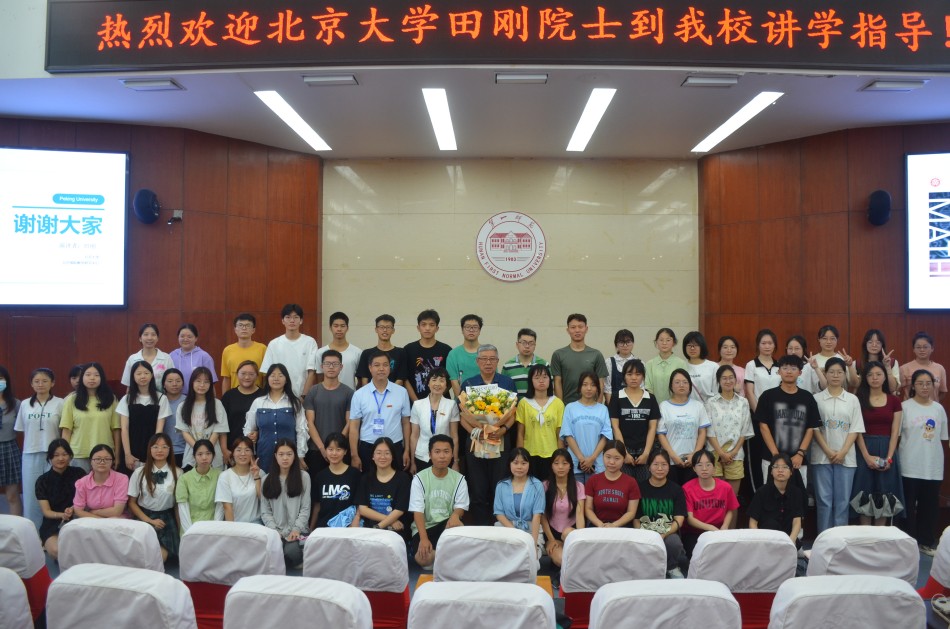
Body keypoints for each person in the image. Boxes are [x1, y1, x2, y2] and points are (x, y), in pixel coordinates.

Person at [459, 345, 518, 524]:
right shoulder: (468, 384)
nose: (488, 362)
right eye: (484, 359)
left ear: (497, 361)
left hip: (500, 440)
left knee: (499, 485)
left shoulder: (507, 383)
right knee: (478, 487)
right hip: (476, 441)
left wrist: (502, 430)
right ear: (477, 361)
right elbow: (462, 415)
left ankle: (498, 526)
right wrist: (477, 432)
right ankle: (481, 528)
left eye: (492, 359)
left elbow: (513, 413)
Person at [754, 354, 819, 506]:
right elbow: (763, 426)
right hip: (771, 458)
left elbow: (810, 428)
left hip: (798, 460)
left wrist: (800, 453)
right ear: (778, 371)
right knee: (769, 500)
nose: (789, 371)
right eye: (785, 368)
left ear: (800, 372)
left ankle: (797, 524)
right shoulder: (767, 396)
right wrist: (776, 455)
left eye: (793, 368)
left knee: (798, 500)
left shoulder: (807, 398)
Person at [810, 357, 864, 533]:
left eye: (839, 372)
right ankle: (823, 540)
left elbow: (855, 429)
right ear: (825, 374)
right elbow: (814, 428)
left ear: (844, 375)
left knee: (842, 502)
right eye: (831, 372)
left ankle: (840, 541)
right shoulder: (816, 399)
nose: (835, 375)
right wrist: (828, 451)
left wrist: (842, 452)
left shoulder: (852, 400)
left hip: (846, 458)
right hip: (821, 457)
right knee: (824, 501)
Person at [900, 370, 949, 555]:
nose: (925, 387)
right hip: (909, 465)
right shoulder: (904, 407)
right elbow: (897, 437)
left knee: (929, 508)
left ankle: (926, 543)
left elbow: (942, 438)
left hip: (932, 466)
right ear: (913, 385)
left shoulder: (938, 409)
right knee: (907, 507)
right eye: (920, 383)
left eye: (928, 383)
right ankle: (907, 545)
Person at [851, 361, 904, 525]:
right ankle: (866, 534)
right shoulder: (858, 399)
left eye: (878, 374)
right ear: (865, 378)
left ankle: (880, 535)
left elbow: (895, 432)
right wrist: (866, 456)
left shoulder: (894, 400)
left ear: (885, 377)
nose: (874, 378)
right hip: (864, 449)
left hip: (887, 448)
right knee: (864, 492)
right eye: (870, 375)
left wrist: (889, 458)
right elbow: (857, 430)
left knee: (884, 493)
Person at [410, 435, 469, 569]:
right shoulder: (419, 478)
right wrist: (424, 539)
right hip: (425, 528)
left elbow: (461, 507)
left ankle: (439, 558)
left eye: (446, 451)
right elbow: (417, 511)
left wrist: (455, 515)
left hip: (446, 524)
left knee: (458, 524)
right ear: (430, 455)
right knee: (423, 559)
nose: (442, 456)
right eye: (437, 452)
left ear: (452, 454)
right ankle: (448, 558)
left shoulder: (459, 479)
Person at [349, 349, 412, 474]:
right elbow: (354, 427)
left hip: (394, 447)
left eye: (385, 365)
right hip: (368, 447)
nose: (381, 369)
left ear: (390, 368)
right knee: (368, 481)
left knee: (394, 481)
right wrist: (354, 455)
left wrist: (407, 450)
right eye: (377, 365)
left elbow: (406, 423)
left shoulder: (401, 392)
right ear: (370, 368)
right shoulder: (359, 394)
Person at [15, 367, 64, 527]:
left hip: (54, 455)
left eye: (44, 381)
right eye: (36, 381)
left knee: (54, 492)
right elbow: (21, 429)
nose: (40, 384)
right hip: (30, 453)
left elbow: (64, 429)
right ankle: (32, 531)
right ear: (31, 384)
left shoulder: (60, 403)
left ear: (52, 383)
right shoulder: (24, 404)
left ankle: (54, 530)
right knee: (31, 495)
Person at [244, 363, 308, 474]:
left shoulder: (295, 403)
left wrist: (300, 455)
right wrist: (251, 449)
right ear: (267, 379)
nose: (276, 378)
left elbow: (301, 430)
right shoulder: (258, 402)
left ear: (286, 379)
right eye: (272, 375)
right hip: (264, 455)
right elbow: (248, 429)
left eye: (280, 375)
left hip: (289, 456)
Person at [635, 450, 689, 578]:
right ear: (649, 467)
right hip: (645, 531)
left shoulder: (676, 490)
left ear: (669, 467)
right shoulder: (640, 488)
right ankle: (648, 568)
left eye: (664, 464)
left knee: (674, 542)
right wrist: (644, 534)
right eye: (655, 464)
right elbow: (636, 519)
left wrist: (664, 533)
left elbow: (679, 520)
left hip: (668, 532)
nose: (660, 468)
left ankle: (671, 567)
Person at [303, 349, 354, 482]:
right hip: (316, 449)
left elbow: (350, 422)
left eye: (335, 364)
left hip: (341, 450)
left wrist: (336, 447)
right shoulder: (313, 391)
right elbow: (309, 422)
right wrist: (322, 448)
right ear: (322, 366)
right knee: (317, 489)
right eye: (327, 364)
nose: (331, 367)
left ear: (341, 367)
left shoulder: (349, 393)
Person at [127, 433, 180, 563]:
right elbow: (132, 503)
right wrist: (149, 520)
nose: (160, 450)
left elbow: (177, 505)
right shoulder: (139, 472)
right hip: (144, 516)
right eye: (155, 446)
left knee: (160, 558)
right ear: (150, 449)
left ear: (170, 449)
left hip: (167, 518)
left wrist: (180, 530)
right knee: (141, 555)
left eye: (164, 447)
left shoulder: (178, 473)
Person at [260, 438, 311, 569]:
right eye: (281, 454)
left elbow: (305, 508)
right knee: (270, 551)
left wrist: (296, 529)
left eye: (289, 454)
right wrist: (275, 531)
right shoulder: (266, 480)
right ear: (275, 456)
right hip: (275, 532)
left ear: (294, 456)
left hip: (298, 532)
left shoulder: (304, 477)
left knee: (291, 552)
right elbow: (265, 512)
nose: (285, 458)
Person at [608, 359, 660, 485]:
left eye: (638, 374)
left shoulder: (650, 398)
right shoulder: (616, 397)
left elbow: (652, 427)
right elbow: (615, 426)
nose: (634, 378)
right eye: (629, 374)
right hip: (623, 451)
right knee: (625, 487)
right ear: (624, 376)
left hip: (645, 451)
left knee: (644, 488)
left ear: (643, 376)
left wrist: (646, 453)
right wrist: (624, 453)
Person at [704, 365, 753, 497]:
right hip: (714, 453)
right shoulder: (710, 403)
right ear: (718, 381)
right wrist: (721, 453)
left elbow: (745, 430)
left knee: (732, 498)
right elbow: (709, 431)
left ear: (736, 380)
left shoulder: (743, 402)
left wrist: (733, 452)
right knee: (716, 497)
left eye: (731, 378)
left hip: (735, 454)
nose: (728, 381)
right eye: (724, 378)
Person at [60, 363, 119, 472]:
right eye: (88, 374)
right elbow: (66, 430)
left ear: (102, 378)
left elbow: (116, 430)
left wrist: (117, 455)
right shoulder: (71, 399)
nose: (92, 378)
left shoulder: (111, 399)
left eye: (96, 375)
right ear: (82, 377)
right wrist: (64, 454)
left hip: (104, 454)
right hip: (78, 453)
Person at [657, 369, 710, 485]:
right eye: (677, 382)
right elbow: (661, 434)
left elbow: (702, 432)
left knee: (691, 492)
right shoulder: (664, 406)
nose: (681, 385)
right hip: (671, 461)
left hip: (693, 461)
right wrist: (673, 456)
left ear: (690, 385)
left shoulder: (698, 406)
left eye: (685, 382)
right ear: (671, 385)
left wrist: (695, 455)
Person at [34, 439, 84, 559]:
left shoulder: (80, 473)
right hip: (53, 523)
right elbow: (46, 511)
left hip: (78, 519)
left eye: (64, 454)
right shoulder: (42, 480)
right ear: (50, 457)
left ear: (70, 456)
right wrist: (62, 515)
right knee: (58, 550)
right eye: (56, 455)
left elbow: (87, 498)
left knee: (82, 548)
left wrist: (73, 509)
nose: (61, 458)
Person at [682, 450, 739, 553]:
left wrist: (725, 525)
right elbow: (689, 519)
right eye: (699, 465)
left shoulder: (725, 487)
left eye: (708, 465)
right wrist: (710, 528)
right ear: (694, 468)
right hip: (695, 532)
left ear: (714, 468)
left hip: (719, 531)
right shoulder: (687, 488)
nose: (704, 468)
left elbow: (730, 509)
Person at [118, 361, 171, 471]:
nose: (143, 376)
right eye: (138, 373)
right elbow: (124, 428)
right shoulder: (126, 399)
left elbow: (159, 430)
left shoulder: (161, 398)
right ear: (133, 376)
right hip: (131, 449)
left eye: (146, 373)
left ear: (152, 375)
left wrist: (154, 453)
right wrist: (127, 454)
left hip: (151, 449)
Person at [560, 372, 611, 484]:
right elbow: (568, 435)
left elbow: (605, 436)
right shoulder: (570, 408)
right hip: (574, 463)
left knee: (594, 494)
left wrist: (592, 458)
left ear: (597, 388)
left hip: (597, 465)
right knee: (576, 494)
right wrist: (582, 459)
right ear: (579, 387)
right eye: (585, 384)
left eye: (593, 385)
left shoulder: (603, 409)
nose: (589, 388)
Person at [516, 364, 565, 479]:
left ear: (549, 380)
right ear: (531, 381)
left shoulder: (558, 403)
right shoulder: (524, 403)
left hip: (552, 454)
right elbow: (520, 433)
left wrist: (560, 456)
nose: (541, 381)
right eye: (537, 377)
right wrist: (520, 455)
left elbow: (560, 433)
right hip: (530, 454)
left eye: (545, 377)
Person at [175, 367, 229, 471]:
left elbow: (218, 431)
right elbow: (185, 432)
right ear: (192, 382)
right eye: (198, 381)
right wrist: (198, 450)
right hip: (191, 456)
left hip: (213, 455)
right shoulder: (183, 406)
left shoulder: (217, 404)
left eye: (206, 382)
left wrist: (206, 451)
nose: (202, 385)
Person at [261, 304, 319, 398]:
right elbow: (267, 372)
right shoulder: (274, 344)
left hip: (302, 396)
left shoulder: (310, 342)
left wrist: (303, 396)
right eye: (288, 317)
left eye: (296, 317)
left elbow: (311, 372)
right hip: (279, 396)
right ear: (283, 321)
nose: (292, 320)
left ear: (301, 320)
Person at [495, 447, 545, 554]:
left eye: (523, 463)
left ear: (529, 464)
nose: (519, 467)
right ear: (509, 464)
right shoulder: (501, 485)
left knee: (529, 556)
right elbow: (499, 513)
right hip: (507, 529)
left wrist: (533, 544)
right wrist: (515, 532)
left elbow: (537, 516)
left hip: (531, 531)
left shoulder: (537, 485)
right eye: (515, 463)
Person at [409, 368, 460, 473]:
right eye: (434, 380)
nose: (437, 384)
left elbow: (454, 436)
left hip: (444, 456)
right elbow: (414, 435)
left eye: (442, 380)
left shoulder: (451, 405)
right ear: (428, 383)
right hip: (422, 455)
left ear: (446, 385)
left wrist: (455, 461)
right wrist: (412, 462)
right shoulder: (418, 405)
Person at [357, 437, 411, 535]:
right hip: (371, 528)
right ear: (373, 456)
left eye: (387, 453)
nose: (382, 457)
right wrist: (389, 520)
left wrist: (378, 527)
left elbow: (399, 510)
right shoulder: (365, 478)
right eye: (378, 453)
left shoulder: (403, 478)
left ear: (393, 456)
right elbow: (363, 509)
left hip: (395, 530)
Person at [541, 448, 585, 568]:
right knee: (561, 560)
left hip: (571, 532)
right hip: (552, 534)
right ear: (551, 466)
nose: (560, 467)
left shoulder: (579, 486)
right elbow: (542, 517)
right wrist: (551, 540)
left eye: (564, 463)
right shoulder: (544, 486)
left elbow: (580, 514)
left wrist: (580, 538)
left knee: (568, 533)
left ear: (570, 466)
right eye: (556, 463)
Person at [551, 313, 608, 404]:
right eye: (573, 327)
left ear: (586, 329)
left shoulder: (596, 354)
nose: (577, 330)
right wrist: (560, 407)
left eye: (580, 327)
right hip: (567, 405)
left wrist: (598, 406)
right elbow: (557, 382)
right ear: (568, 330)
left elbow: (600, 383)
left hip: (590, 406)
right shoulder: (558, 354)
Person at [749, 454, 805, 546]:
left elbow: (797, 521)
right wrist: (759, 543)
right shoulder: (761, 492)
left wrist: (791, 541)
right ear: (771, 471)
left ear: (791, 471)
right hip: (766, 541)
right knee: (771, 524)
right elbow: (752, 523)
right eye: (776, 467)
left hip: (788, 540)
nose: (780, 470)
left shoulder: (796, 493)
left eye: (785, 467)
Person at [584, 440, 640, 528]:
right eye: (608, 457)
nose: (611, 462)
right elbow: (588, 509)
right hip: (598, 528)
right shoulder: (593, 480)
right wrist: (600, 524)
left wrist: (614, 525)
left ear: (624, 459)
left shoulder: (631, 482)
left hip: (622, 529)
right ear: (603, 456)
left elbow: (631, 512)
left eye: (617, 458)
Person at [311, 432, 361, 528]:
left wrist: (356, 520)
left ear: (345, 451)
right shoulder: (320, 476)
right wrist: (311, 528)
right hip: (324, 527)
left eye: (338, 450)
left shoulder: (354, 474)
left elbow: (359, 503)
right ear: (325, 450)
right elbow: (317, 505)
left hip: (347, 527)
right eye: (330, 449)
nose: (334, 453)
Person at [404, 309, 453, 402]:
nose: (427, 328)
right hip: (415, 402)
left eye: (431, 325)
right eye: (423, 324)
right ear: (418, 328)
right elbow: (405, 379)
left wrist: (436, 398)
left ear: (437, 328)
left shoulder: (446, 350)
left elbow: (451, 379)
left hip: (441, 402)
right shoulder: (408, 349)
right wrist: (417, 403)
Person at [221, 360, 265, 461]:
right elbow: (222, 425)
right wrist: (224, 450)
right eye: (243, 373)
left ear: (257, 376)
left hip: (258, 449)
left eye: (251, 374)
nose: (247, 377)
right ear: (237, 375)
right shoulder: (229, 396)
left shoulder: (263, 396)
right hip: (233, 448)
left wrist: (258, 433)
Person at [176, 439, 223, 535]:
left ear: (213, 455)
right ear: (194, 456)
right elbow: (183, 508)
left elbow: (220, 505)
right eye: (200, 454)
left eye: (208, 453)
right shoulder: (184, 479)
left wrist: (215, 528)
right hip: (190, 528)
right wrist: (191, 532)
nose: (204, 457)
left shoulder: (220, 476)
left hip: (214, 528)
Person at [307, 311, 361, 390]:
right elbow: (320, 378)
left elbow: (360, 380)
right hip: (327, 395)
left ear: (347, 328)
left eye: (342, 326)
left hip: (350, 395)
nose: (339, 329)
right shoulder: (320, 353)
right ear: (330, 328)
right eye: (336, 326)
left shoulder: (357, 352)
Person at [73, 444, 129, 519]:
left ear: (112, 461)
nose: (102, 462)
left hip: (117, 519)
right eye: (97, 459)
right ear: (91, 461)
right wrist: (99, 520)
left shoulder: (121, 479)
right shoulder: (82, 483)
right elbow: (78, 510)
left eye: (107, 459)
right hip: (91, 519)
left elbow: (117, 511)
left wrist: (95, 512)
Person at [216, 436, 262, 523]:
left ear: (252, 453)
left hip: (256, 523)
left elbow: (264, 501)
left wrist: (257, 477)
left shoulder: (260, 473)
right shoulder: (225, 476)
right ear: (233, 453)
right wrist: (233, 529)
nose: (243, 453)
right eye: (239, 450)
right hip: (235, 524)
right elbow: (227, 507)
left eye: (247, 450)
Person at [356, 314, 408, 387]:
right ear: (376, 329)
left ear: (393, 330)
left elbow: (401, 379)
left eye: (388, 327)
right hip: (371, 393)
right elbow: (364, 380)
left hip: (394, 392)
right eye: (381, 327)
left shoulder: (401, 352)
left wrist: (388, 391)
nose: (385, 330)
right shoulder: (366, 353)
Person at [120, 323, 175, 392]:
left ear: (157, 338)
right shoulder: (132, 359)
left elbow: (172, 382)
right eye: (146, 334)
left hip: (161, 397)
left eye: (153, 334)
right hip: (138, 398)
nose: (149, 338)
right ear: (140, 338)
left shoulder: (166, 358)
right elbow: (129, 386)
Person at [219, 313, 267, 391]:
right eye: (240, 325)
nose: (244, 328)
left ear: (253, 330)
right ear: (235, 329)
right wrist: (225, 397)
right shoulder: (228, 350)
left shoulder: (262, 349)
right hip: (234, 395)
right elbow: (226, 378)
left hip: (257, 395)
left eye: (248, 325)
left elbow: (265, 377)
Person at [644, 328, 688, 405]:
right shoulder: (649, 364)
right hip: (654, 406)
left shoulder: (681, 363)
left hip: (675, 406)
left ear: (674, 342)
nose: (664, 343)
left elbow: (683, 387)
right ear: (656, 342)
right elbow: (648, 387)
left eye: (668, 340)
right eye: (661, 340)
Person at [170, 323, 217, 394]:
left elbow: (211, 382)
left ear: (196, 338)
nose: (185, 339)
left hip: (198, 397)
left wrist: (212, 400)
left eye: (189, 336)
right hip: (176, 397)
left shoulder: (204, 356)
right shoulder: (171, 355)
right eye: (182, 336)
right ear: (178, 337)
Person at [900, 332, 947, 402]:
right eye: (918, 347)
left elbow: (942, 392)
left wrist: (932, 403)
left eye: (925, 347)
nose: (922, 350)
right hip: (910, 408)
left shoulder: (940, 368)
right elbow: (897, 391)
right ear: (914, 349)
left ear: (932, 349)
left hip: (931, 407)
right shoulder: (904, 368)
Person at [502, 328, 548, 397]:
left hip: (537, 404)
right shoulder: (507, 366)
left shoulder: (544, 364)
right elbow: (503, 390)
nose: (527, 346)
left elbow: (550, 388)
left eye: (531, 343)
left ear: (535, 345)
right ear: (517, 344)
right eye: (524, 343)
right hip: (515, 404)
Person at [447, 314, 484, 398]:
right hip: (461, 402)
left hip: (486, 401)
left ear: (479, 331)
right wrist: (465, 402)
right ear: (462, 330)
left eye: (475, 327)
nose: (471, 330)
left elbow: (492, 379)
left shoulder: (487, 352)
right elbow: (454, 382)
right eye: (467, 327)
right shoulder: (453, 354)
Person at [744, 329, 781, 414]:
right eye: (763, 343)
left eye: (770, 343)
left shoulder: (780, 365)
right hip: (758, 411)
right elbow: (749, 392)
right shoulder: (751, 365)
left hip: (778, 412)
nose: (767, 346)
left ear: (774, 345)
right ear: (758, 345)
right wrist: (758, 414)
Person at [160, 369, 188, 468]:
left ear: (183, 383)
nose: (174, 384)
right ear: (164, 384)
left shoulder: (189, 401)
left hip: (185, 451)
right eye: (170, 381)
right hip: (163, 451)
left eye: (178, 381)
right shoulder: (159, 401)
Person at [683, 331, 720, 403]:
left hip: (708, 406)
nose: (692, 348)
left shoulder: (713, 366)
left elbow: (716, 393)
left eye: (696, 345)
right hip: (686, 406)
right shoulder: (681, 366)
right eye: (689, 345)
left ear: (702, 346)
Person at [603, 329, 638, 405]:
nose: (625, 345)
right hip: (612, 404)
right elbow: (607, 388)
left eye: (628, 342)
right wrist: (613, 408)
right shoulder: (609, 362)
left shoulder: (639, 363)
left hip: (634, 406)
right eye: (621, 342)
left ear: (633, 343)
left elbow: (641, 388)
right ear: (616, 345)